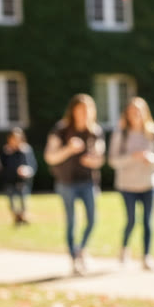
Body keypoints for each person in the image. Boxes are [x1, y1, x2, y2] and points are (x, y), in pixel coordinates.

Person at [43, 94, 106, 275]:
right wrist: (68, 149)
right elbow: (50, 157)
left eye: (88, 110)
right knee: (72, 221)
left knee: (92, 219)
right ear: (73, 111)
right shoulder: (61, 130)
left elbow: (99, 158)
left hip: (87, 181)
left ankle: (81, 250)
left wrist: (93, 160)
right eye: (81, 110)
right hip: (66, 182)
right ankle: (74, 258)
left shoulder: (95, 131)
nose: (85, 114)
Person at [109, 97, 154, 270]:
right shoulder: (120, 133)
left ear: (145, 112)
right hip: (127, 185)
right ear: (127, 114)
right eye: (131, 111)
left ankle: (146, 257)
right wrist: (132, 158)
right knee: (131, 220)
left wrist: (151, 159)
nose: (135, 114)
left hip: (149, 184)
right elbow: (113, 161)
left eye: (138, 111)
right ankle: (124, 249)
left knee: (147, 221)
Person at [0, 127, 37, 226]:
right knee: (12, 202)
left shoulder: (25, 150)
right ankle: (17, 218)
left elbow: (32, 165)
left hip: (22, 181)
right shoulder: (6, 151)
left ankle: (22, 218)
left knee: (23, 201)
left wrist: (27, 170)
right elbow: (1, 167)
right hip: (9, 181)